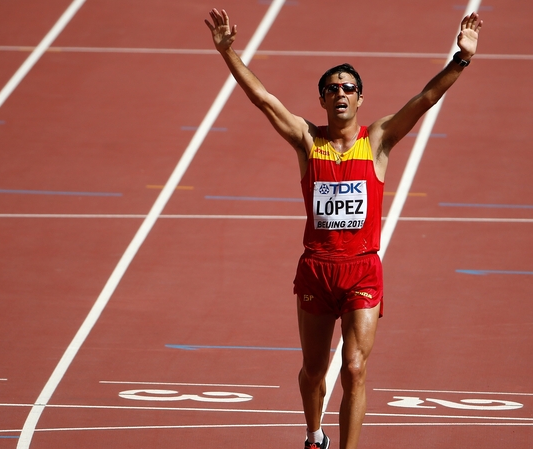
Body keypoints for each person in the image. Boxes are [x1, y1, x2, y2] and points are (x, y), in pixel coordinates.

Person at [206, 8, 482, 449]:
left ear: (360, 99)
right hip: (317, 269)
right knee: (314, 370)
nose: (340, 93)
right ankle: (315, 435)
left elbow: (425, 99)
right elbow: (262, 98)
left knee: (354, 367)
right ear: (321, 101)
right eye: (331, 88)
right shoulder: (306, 139)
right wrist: (229, 52)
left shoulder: (379, 140)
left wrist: (460, 60)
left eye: (348, 88)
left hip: (361, 271)